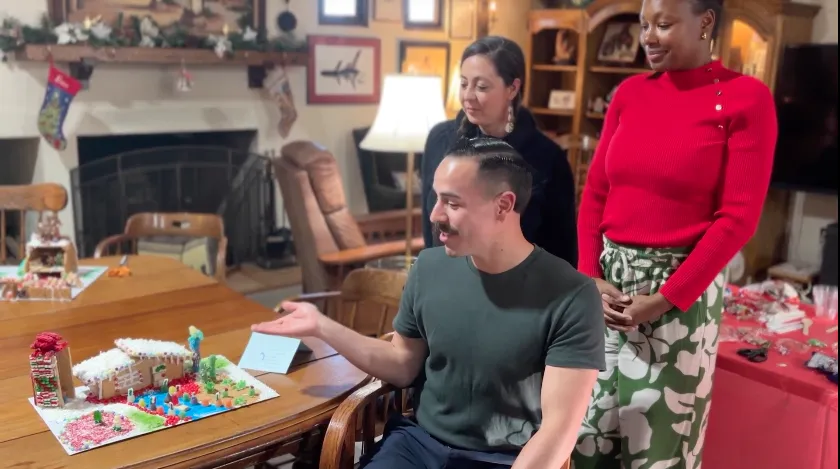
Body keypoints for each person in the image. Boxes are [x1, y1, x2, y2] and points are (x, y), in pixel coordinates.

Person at [254, 138, 605, 469]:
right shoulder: (429, 267)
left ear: (503, 205)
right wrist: (321, 325)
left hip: (502, 459)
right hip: (418, 446)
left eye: (452, 203)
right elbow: (402, 363)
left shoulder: (571, 295)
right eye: (435, 198)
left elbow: (558, 432)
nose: (435, 214)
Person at [571, 0, 778, 468]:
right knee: (586, 442)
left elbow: (738, 219)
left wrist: (666, 297)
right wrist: (589, 275)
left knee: (660, 453)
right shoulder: (628, 94)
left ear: (705, 22)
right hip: (607, 291)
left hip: (680, 298)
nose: (648, 36)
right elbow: (595, 195)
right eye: (644, 24)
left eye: (663, 25)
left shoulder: (746, 99)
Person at [420, 36, 578, 267]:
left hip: (521, 293)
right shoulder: (440, 141)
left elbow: (562, 254)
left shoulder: (547, 158)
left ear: (512, 88)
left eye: (481, 86)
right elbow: (429, 230)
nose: (468, 96)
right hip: (447, 288)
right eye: (464, 83)